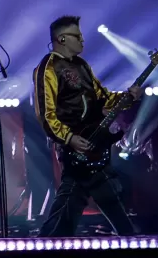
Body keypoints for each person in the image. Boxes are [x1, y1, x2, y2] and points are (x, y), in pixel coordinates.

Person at [34, 15, 140, 237]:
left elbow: (103, 98)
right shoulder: (48, 68)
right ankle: (44, 248)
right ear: (62, 39)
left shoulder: (82, 65)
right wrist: (69, 138)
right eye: (77, 36)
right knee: (74, 203)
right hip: (75, 148)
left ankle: (47, 246)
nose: (82, 40)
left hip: (94, 145)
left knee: (92, 201)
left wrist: (127, 97)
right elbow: (46, 114)